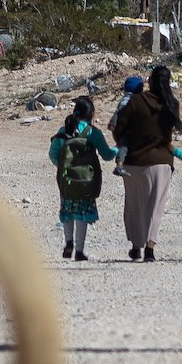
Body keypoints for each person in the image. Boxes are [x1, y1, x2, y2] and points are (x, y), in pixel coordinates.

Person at [110, 64, 182, 261]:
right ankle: (150, 247)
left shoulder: (136, 101)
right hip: (161, 162)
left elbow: (119, 126)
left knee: (135, 205)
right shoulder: (172, 104)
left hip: (134, 161)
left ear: (151, 81)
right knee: (155, 206)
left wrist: (123, 144)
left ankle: (136, 246)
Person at [48, 95, 118, 261]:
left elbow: (53, 155)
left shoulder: (63, 131)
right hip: (87, 181)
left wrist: (64, 168)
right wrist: (118, 149)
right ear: (91, 113)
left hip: (67, 180)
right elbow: (107, 155)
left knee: (68, 211)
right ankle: (79, 251)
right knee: (82, 214)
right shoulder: (93, 133)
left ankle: (68, 242)